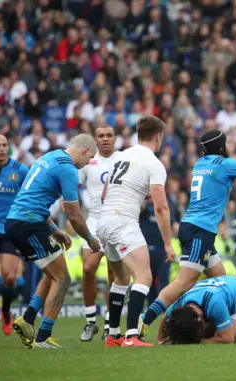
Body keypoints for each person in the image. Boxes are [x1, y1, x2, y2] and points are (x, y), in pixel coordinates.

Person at [138, 130, 236, 338]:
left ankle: (234, 328)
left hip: (195, 229)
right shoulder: (226, 165)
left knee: (222, 281)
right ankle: (144, 321)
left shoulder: (202, 165)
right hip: (199, 231)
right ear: (222, 146)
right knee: (183, 283)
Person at [7, 134, 100, 348]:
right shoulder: (68, 169)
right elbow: (75, 215)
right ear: (84, 150)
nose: (88, 163)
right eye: (90, 158)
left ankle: (28, 318)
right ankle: (43, 337)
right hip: (28, 224)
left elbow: (31, 196)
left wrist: (54, 229)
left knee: (53, 271)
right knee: (63, 278)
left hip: (22, 221)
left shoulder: (49, 157)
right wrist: (90, 239)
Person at [98, 115, 175, 347]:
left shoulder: (119, 156)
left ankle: (113, 334)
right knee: (144, 276)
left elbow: (104, 194)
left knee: (121, 278)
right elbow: (161, 207)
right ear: (158, 137)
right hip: (123, 221)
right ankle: (132, 335)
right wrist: (168, 243)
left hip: (104, 221)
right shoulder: (154, 163)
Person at [77, 126, 119, 341]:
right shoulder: (89, 161)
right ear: (95, 140)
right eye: (100, 136)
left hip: (115, 220)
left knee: (114, 274)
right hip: (93, 220)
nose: (104, 139)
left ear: (115, 139)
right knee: (88, 269)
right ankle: (91, 320)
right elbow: (73, 183)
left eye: (108, 136)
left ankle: (110, 323)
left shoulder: (123, 159)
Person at [158, 276, 236, 345]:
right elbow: (164, 320)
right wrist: (160, 340)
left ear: (199, 318)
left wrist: (195, 342)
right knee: (208, 333)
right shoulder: (182, 302)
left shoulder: (214, 303)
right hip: (228, 295)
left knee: (226, 337)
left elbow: (227, 340)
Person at [0, 134, 29, 335]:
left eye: (4, 145)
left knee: (9, 277)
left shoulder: (20, 170)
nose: (1, 149)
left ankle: (6, 310)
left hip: (9, 230)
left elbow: (31, 194)